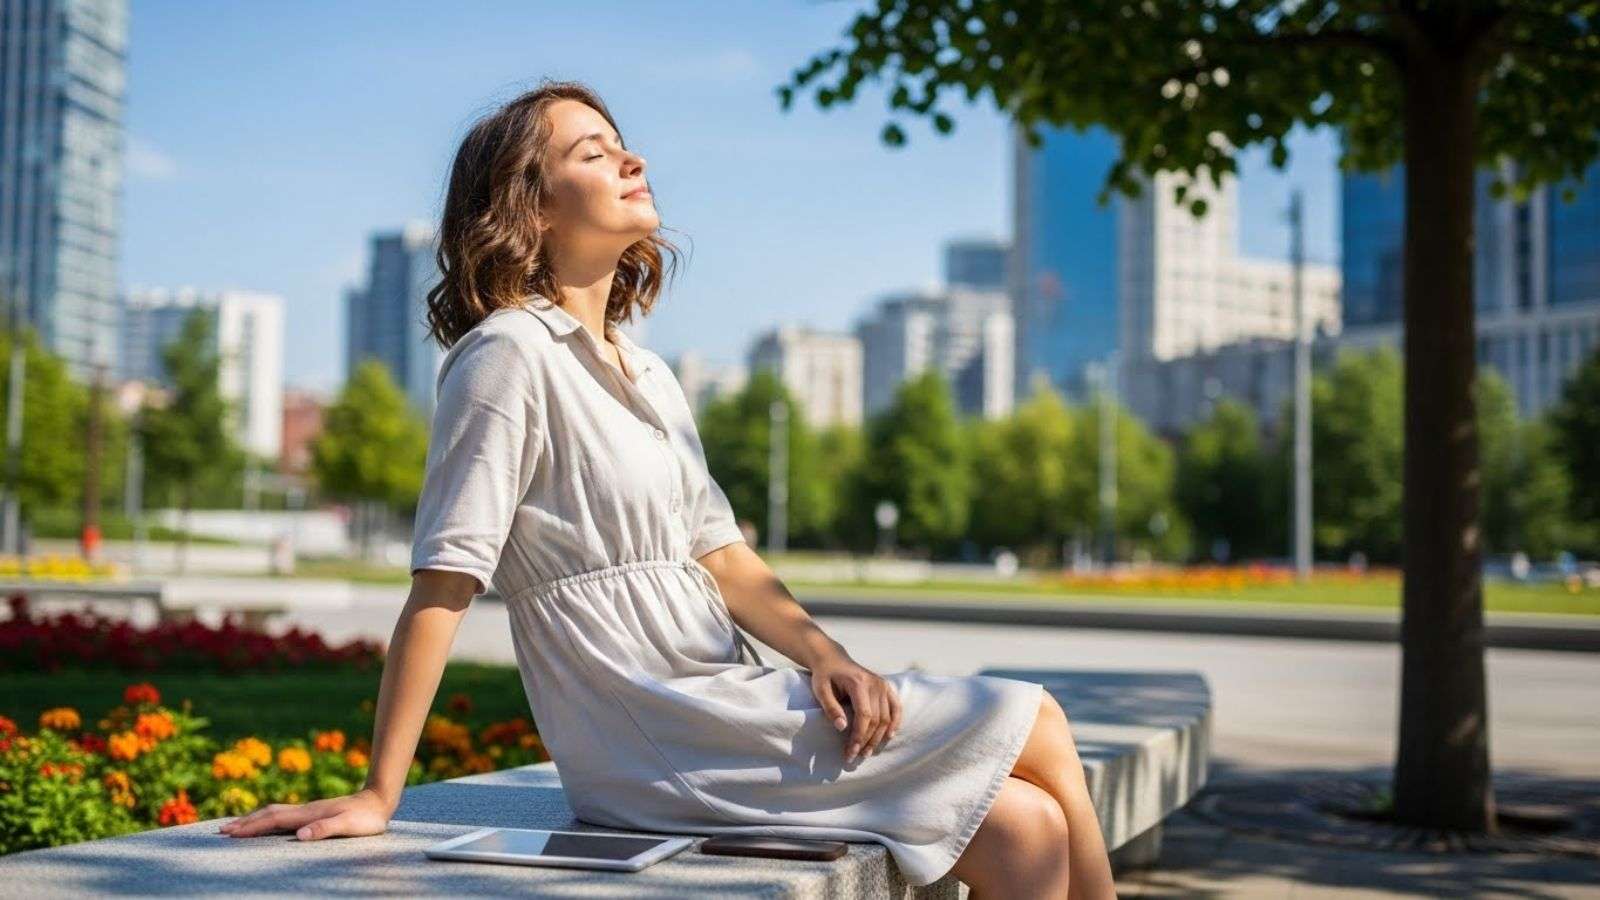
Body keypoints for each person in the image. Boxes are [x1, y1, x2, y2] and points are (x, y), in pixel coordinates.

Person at [220, 79, 1114, 899]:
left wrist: (826, 656)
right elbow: (444, 578)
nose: (631, 160)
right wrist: (384, 792)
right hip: (649, 725)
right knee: (1036, 717)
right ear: (529, 206)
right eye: (592, 153)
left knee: (1023, 827)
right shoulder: (506, 354)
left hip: (721, 694)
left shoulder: (647, 372)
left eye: (622, 144)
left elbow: (722, 554)